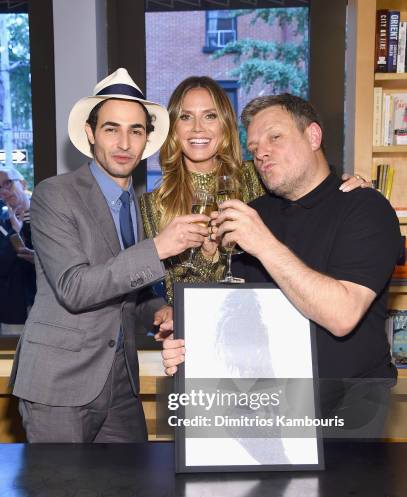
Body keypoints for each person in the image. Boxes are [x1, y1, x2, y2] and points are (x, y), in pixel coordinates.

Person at [161, 93, 402, 437]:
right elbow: (239, 318)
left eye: (275, 137)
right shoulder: (256, 213)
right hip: (267, 410)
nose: (260, 151)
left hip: (348, 411)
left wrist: (262, 244)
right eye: (254, 145)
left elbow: (342, 315)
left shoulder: (365, 209)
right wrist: (188, 345)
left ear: (313, 136)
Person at [11, 68, 210, 443]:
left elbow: (127, 296)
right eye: (111, 128)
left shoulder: (135, 203)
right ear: (90, 134)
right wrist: (158, 248)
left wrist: (158, 310)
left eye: (136, 130)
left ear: (147, 138)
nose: (124, 142)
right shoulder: (55, 194)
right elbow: (75, 288)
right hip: (59, 385)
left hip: (121, 382)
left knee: (133, 494)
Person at [141, 76, 366, 304]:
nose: (197, 128)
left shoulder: (259, 175)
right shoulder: (152, 204)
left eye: (210, 116)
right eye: (185, 117)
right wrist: (162, 309)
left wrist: (344, 187)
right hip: (190, 327)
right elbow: (149, 292)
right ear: (174, 128)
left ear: (225, 125)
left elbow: (309, 185)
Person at [0, 166, 35, 334]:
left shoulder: (45, 215)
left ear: (23, 184)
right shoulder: (3, 224)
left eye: (8, 183)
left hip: (45, 305)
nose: (5, 191)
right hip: (14, 313)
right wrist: (15, 231)